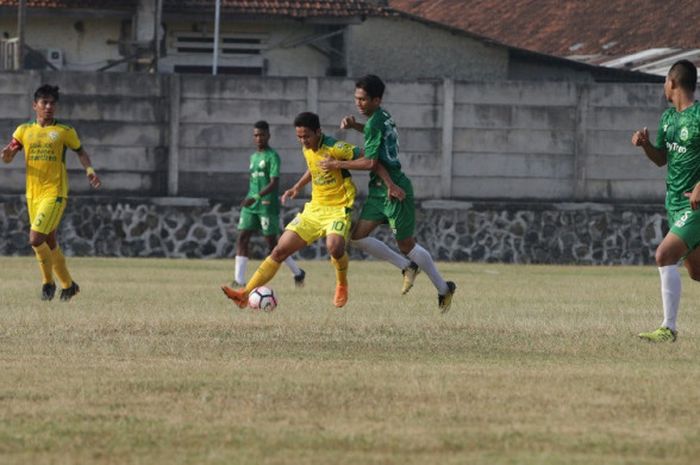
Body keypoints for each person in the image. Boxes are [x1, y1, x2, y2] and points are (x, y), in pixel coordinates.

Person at [329, 74, 456, 313]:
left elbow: (370, 162)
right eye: (357, 98)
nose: (358, 103)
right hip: (380, 189)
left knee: (406, 244)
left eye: (363, 100)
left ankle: (443, 287)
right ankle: (406, 266)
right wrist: (356, 125)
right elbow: (374, 136)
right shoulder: (381, 116)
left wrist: (337, 165)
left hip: (394, 188)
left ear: (376, 100)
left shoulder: (377, 120)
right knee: (356, 237)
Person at [222, 112, 359, 308]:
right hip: (314, 210)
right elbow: (314, 169)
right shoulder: (307, 148)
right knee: (279, 250)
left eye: (307, 136)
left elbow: (367, 159)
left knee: (335, 248)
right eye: (299, 137)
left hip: (338, 208)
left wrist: (337, 163)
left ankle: (342, 284)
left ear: (318, 132)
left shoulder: (335, 147)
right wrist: (297, 187)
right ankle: (243, 295)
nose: (303, 141)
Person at [1, 84, 101, 301]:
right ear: (34, 105)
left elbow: (81, 152)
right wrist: (6, 155)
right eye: (44, 103)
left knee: (35, 239)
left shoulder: (64, 131)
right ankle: (69, 285)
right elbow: (9, 157)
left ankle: (48, 283)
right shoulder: (23, 131)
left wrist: (90, 171)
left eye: (52, 103)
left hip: (55, 193)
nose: (48, 107)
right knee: (50, 242)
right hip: (32, 194)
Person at [632, 59, 700, 342]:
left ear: (672, 83)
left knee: (664, 255)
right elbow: (662, 160)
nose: (664, 86)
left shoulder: (699, 116)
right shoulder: (668, 119)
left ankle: (668, 329)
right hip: (673, 204)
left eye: (664, 81)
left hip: (695, 206)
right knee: (697, 272)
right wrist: (647, 146)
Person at [233, 120, 305, 288]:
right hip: (251, 204)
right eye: (256, 135)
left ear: (268, 136)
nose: (259, 138)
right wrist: (250, 197)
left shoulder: (272, 156)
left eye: (262, 135)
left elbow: (273, 183)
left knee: (273, 244)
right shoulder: (253, 157)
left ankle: (298, 272)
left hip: (266, 204)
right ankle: (239, 280)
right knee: (242, 238)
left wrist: (256, 197)